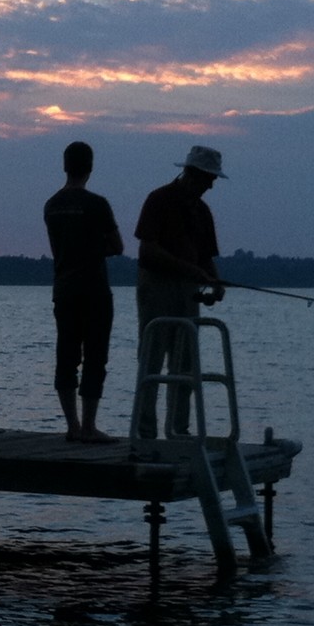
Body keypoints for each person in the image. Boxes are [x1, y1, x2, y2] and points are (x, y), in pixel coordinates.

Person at [133, 145, 228, 438]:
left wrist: (215, 282)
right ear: (191, 173)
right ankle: (145, 432)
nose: (212, 184)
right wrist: (190, 270)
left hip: (188, 293)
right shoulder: (158, 199)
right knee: (151, 360)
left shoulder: (202, 211)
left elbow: (206, 257)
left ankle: (179, 430)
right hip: (157, 290)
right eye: (208, 177)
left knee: (185, 364)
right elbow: (147, 250)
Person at [43, 141, 125, 443]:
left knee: (66, 355)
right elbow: (117, 246)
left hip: (63, 289)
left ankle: (72, 426)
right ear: (90, 167)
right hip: (94, 290)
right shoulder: (97, 204)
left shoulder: (51, 205)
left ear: (65, 166)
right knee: (94, 357)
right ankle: (89, 426)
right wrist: (93, 249)